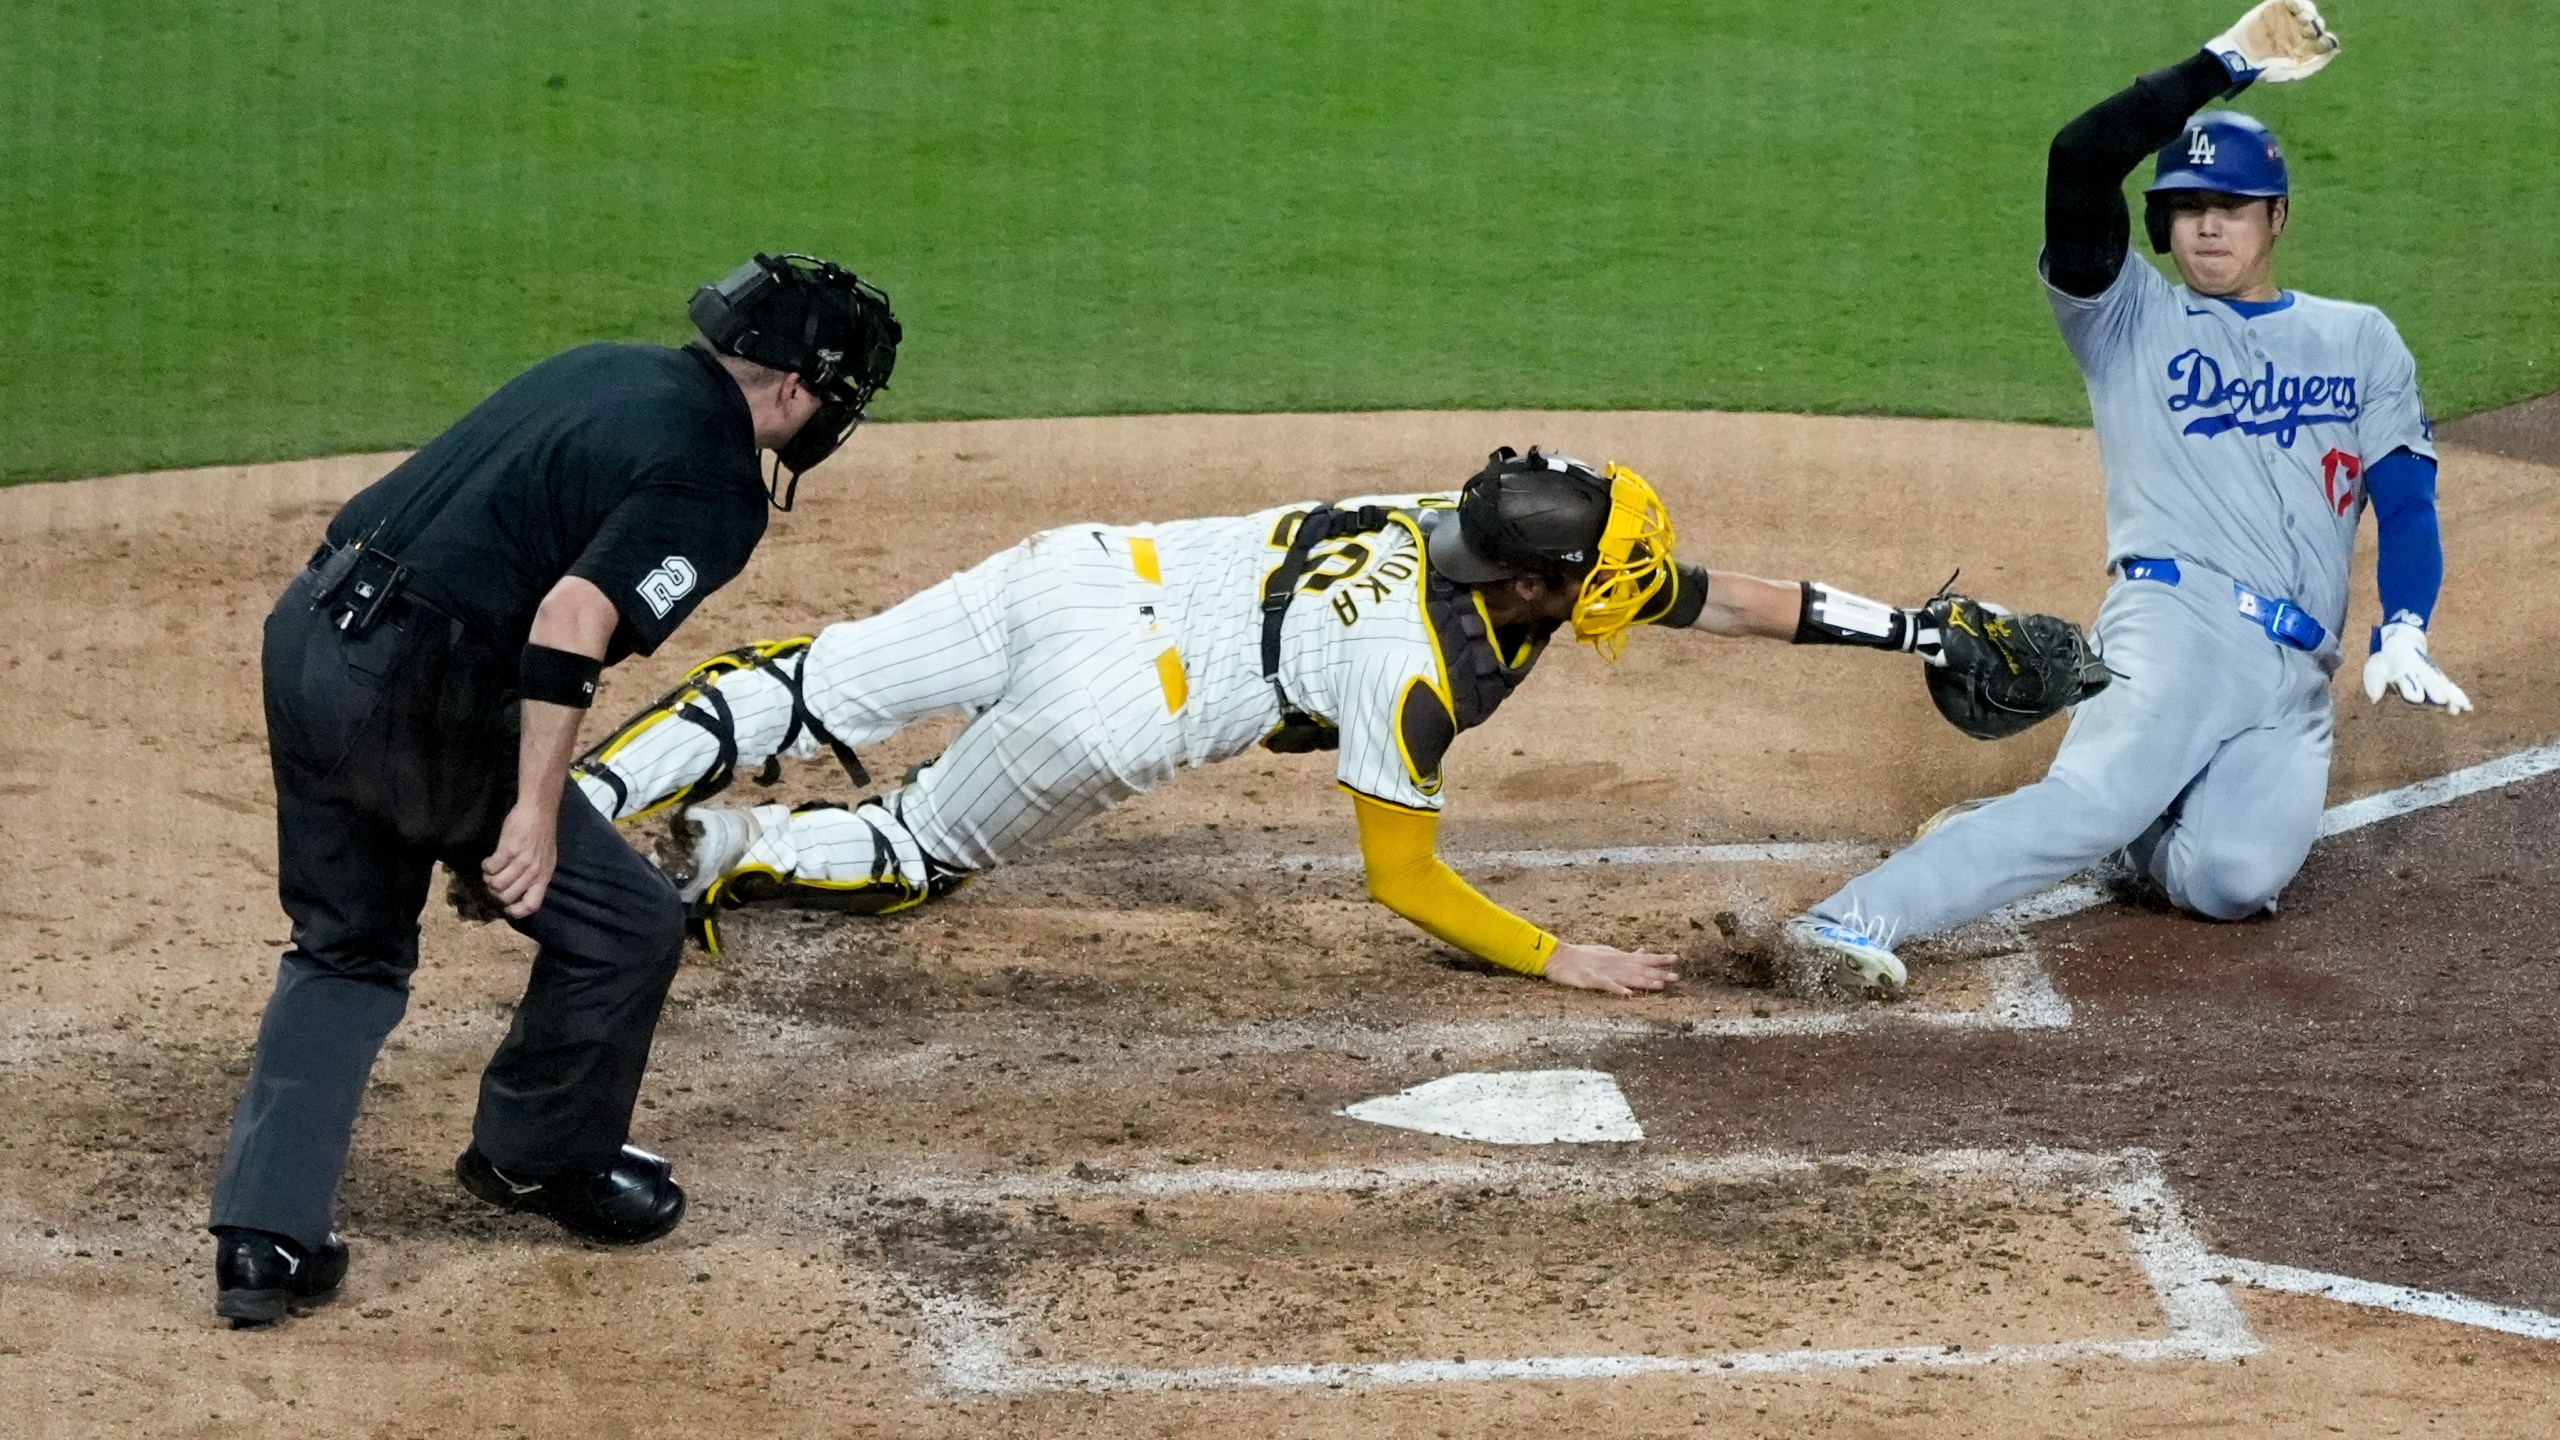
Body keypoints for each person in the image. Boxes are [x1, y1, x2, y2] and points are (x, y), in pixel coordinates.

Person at [572, 447, 1998, 995]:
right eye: (1600, 578)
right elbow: (1401, 876)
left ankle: (580, 799)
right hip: (1117, 704)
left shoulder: (1454, 520)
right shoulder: (1415, 679)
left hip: (1076, 571)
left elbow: (1710, 597)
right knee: (913, 849)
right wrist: (1560, 958)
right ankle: (727, 850)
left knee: (801, 682)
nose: (1628, 588)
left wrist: (1911, 629)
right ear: (1541, 584)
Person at [207, 254, 902, 1328]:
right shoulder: (715, 478)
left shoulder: (602, 366)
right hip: (420, 697)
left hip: (310, 636)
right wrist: (527, 814)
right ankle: (538, 1158)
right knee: (624, 924)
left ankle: (264, 1240)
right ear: (795, 387)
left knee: (344, 949)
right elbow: (570, 619)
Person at [1785, 1, 2466, 984]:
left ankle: (2122, 824)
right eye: (2187, 209)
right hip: (2174, 623)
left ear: (2276, 216)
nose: (2207, 227)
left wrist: (2403, 624)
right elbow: (2077, 157)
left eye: (2229, 208)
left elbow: (2403, 498)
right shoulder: (2127, 318)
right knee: (2086, 805)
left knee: (2233, 880)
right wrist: (2223, 62)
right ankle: (1843, 924)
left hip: (2295, 674)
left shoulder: (2358, 338)